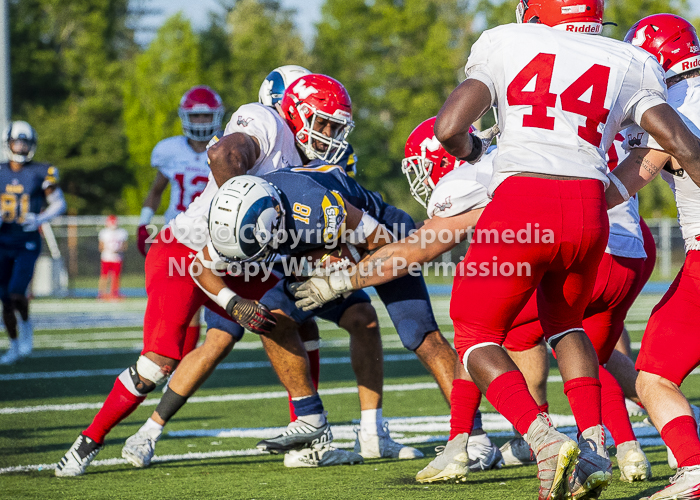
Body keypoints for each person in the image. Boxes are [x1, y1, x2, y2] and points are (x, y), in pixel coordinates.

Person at [395, 0, 700, 497]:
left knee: (474, 333)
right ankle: (598, 442)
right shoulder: (627, 62)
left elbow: (448, 128)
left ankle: (542, 440)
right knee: (569, 325)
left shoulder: (505, 41)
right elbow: (681, 147)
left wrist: (474, 153)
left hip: (525, 199)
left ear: (534, 13)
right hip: (592, 213)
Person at [294, 117, 652, 484]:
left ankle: (521, 439)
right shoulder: (530, 149)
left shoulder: (467, 177)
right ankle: (620, 442)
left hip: (573, 242)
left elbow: (419, 248)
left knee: (478, 329)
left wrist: (343, 280)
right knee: (579, 342)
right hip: (623, 250)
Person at [605, 14, 700, 499]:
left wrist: (577, 204)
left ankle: (692, 469)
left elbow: (633, 175)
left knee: (654, 374)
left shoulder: (670, 110)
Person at [0, 121, 66, 365]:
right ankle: (14, 346)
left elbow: (59, 203)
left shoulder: (41, 171)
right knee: (5, 299)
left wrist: (40, 217)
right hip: (2, 240)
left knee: (17, 293)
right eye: (17, 141)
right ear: (8, 142)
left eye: (24, 142)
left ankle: (26, 326)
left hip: (27, 241)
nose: (20, 146)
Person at [97, 215, 128, 300]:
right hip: (106, 257)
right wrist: (109, 249)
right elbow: (101, 247)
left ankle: (114, 293)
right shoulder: (104, 232)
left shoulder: (122, 232)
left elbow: (125, 246)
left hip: (117, 258)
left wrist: (118, 249)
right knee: (104, 275)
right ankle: (101, 293)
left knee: (116, 276)